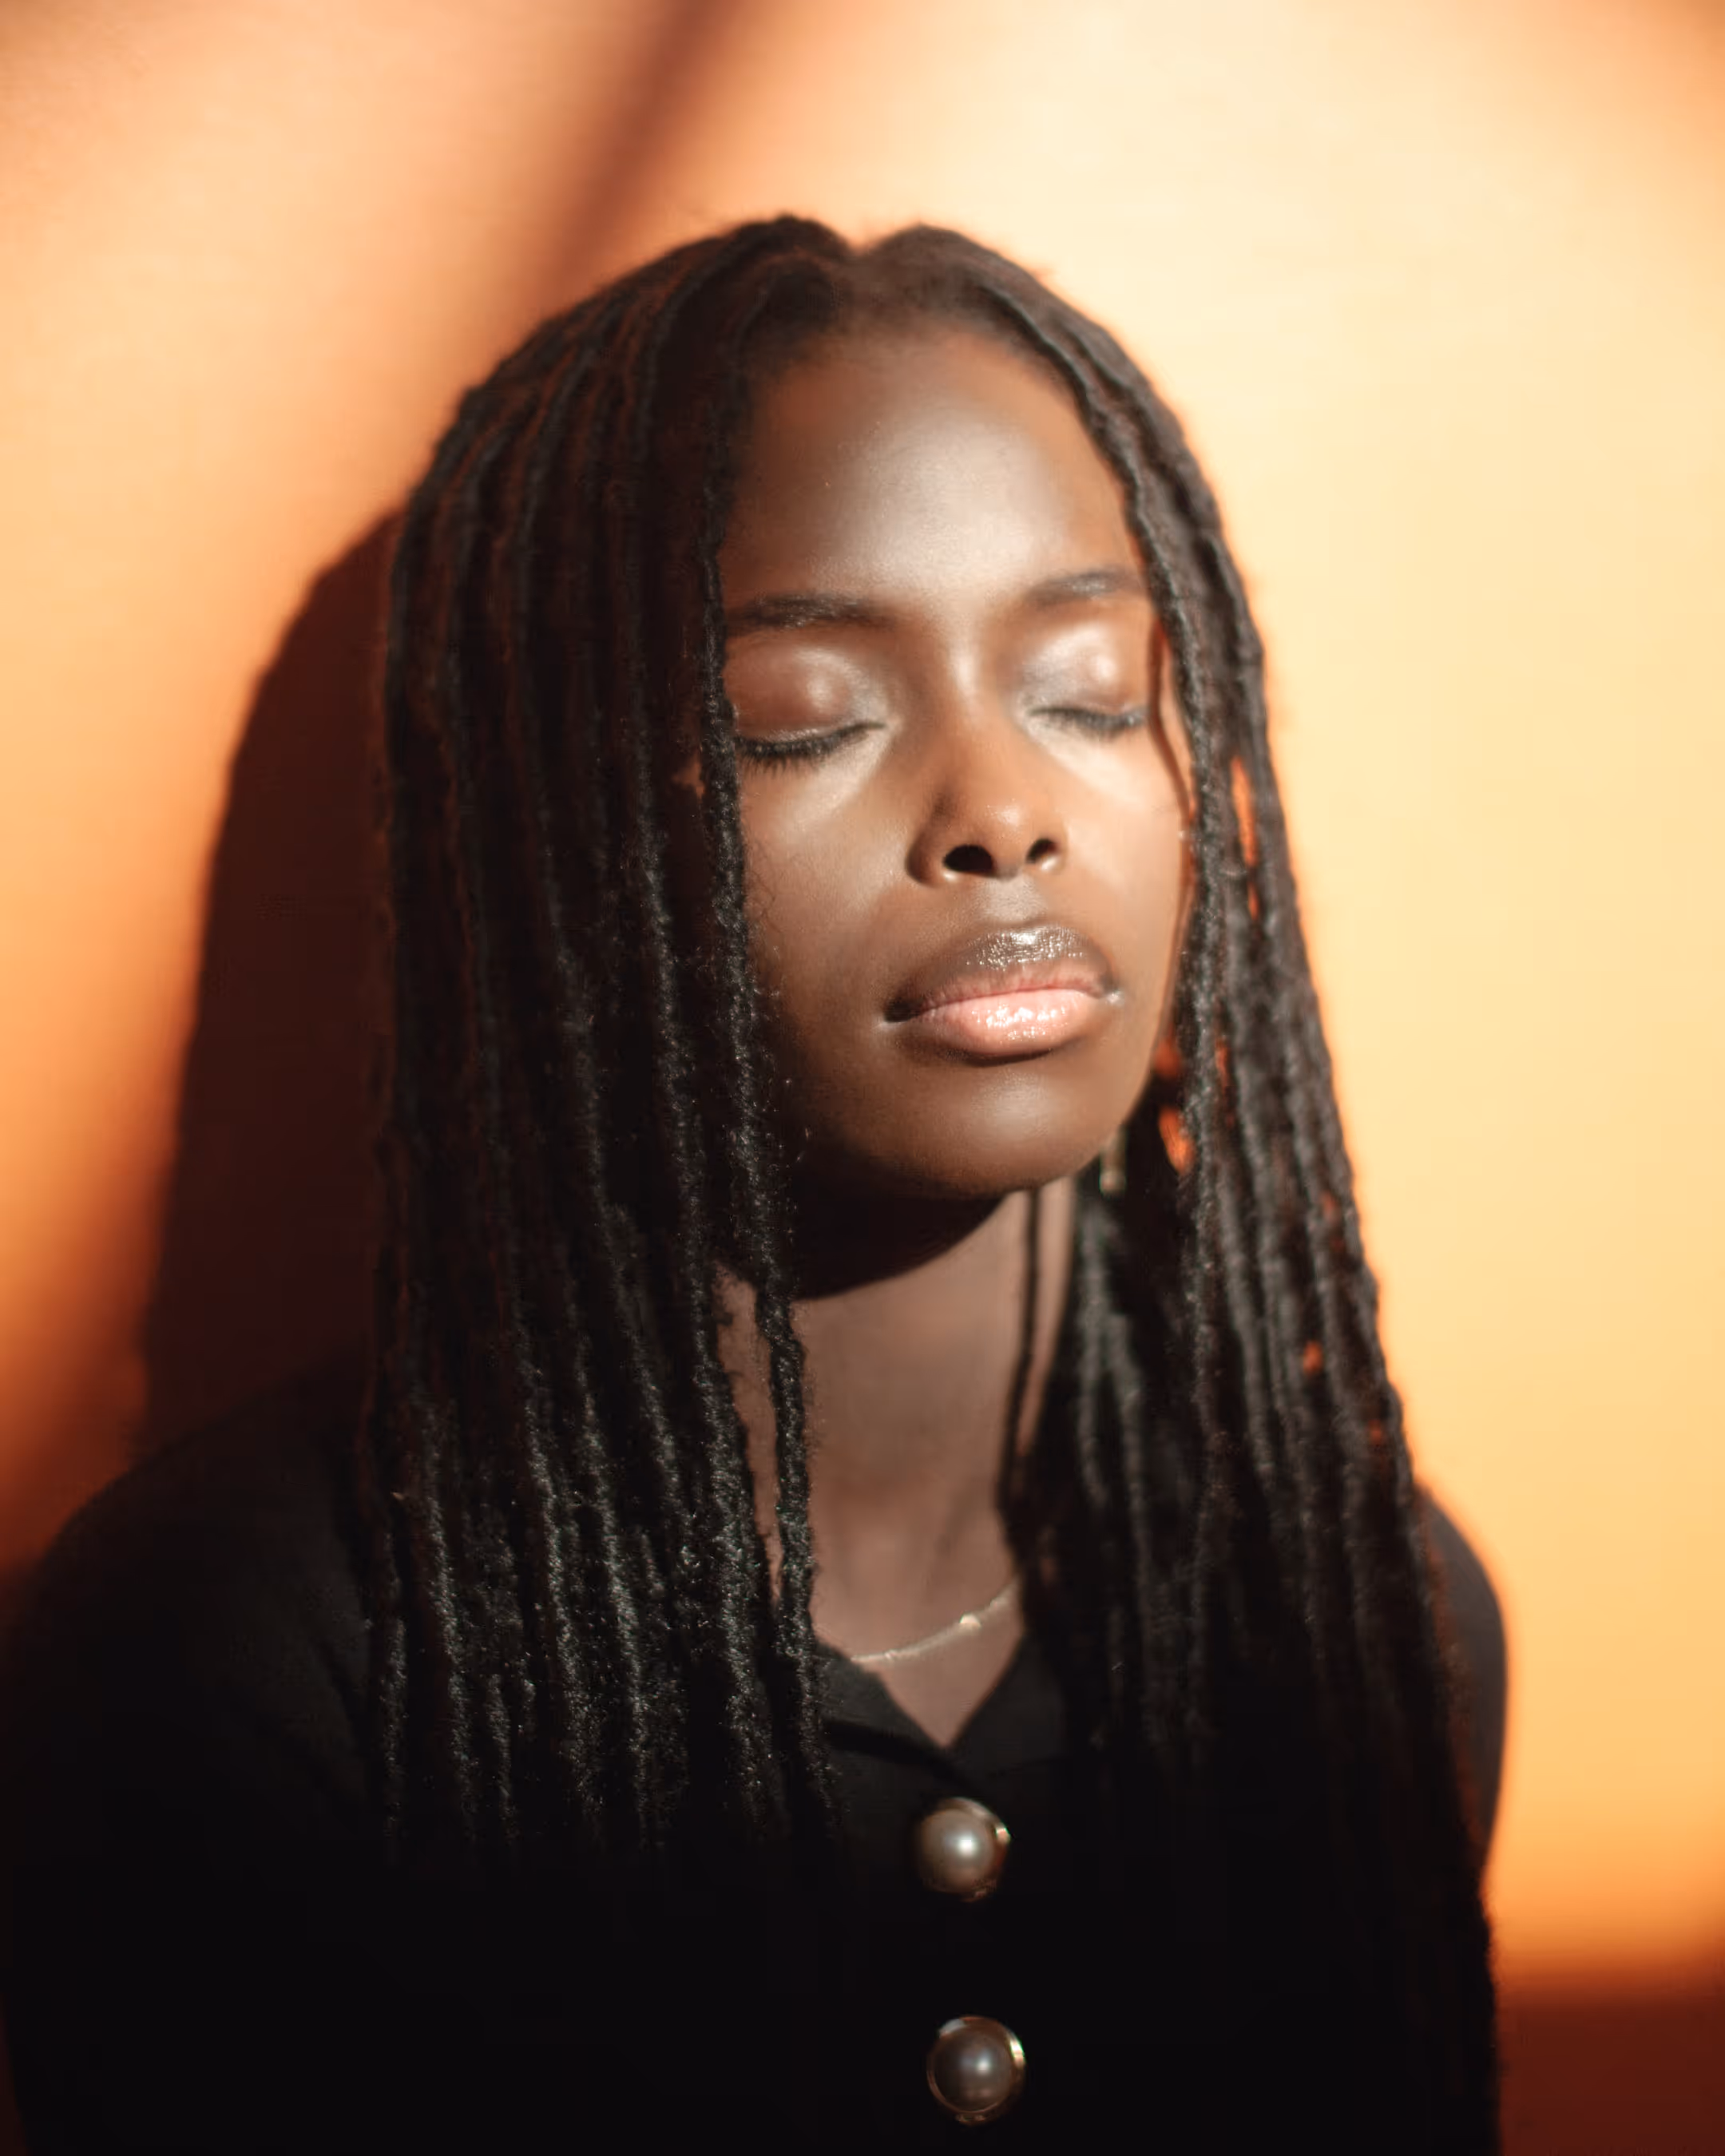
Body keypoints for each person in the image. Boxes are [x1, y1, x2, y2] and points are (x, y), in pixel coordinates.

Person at [0, 220, 1505, 2152]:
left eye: (1085, 687)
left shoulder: (1363, 1617)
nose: (1004, 813)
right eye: (802, 715)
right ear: (553, 835)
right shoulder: (247, 1662)